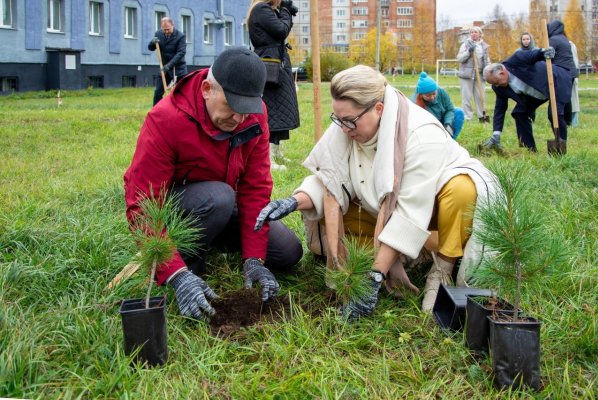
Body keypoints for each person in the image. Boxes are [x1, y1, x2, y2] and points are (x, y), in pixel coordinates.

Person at [254, 65, 498, 318]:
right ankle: (396, 258)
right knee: (332, 211)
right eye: (338, 119)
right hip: (382, 206)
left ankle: (441, 267)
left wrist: (373, 279)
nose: (343, 129)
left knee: (462, 190)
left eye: (349, 121)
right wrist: (292, 202)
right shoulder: (349, 123)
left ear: (378, 109)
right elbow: (330, 179)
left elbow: (409, 214)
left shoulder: (421, 134)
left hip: (433, 213)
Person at [124, 48, 303, 320]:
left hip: (225, 203)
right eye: (232, 107)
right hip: (184, 208)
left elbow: (255, 188)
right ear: (208, 89)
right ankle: (189, 265)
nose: (240, 119)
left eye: (247, 110)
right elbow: (142, 204)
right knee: (218, 197)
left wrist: (254, 259)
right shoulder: (166, 119)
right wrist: (175, 273)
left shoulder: (254, 115)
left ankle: (219, 238)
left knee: (288, 251)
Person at [480, 47, 572, 153]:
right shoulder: (498, 88)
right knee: (519, 113)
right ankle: (530, 149)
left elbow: (532, 55)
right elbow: (500, 109)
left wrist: (543, 52)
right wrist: (496, 133)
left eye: (496, 82)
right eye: (493, 84)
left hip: (555, 81)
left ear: (502, 73)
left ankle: (561, 145)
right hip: (534, 93)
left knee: (554, 114)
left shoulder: (516, 60)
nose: (496, 85)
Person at [247, 0, 300, 171]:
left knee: (280, 109)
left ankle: (277, 152)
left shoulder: (268, 10)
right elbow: (281, 30)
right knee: (271, 110)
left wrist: (284, 11)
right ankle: (267, 157)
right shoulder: (261, 9)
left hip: (276, 63)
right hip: (269, 64)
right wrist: (285, 10)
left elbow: (281, 30)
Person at [410, 72, 465, 140]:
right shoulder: (414, 103)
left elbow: (449, 109)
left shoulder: (441, 92)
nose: (432, 97)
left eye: (434, 94)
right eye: (428, 95)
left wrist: (447, 123)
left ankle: (451, 142)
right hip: (428, 126)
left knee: (459, 112)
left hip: (443, 121)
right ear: (421, 95)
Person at [148, 17, 187, 106]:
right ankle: (156, 113)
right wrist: (152, 42)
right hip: (164, 69)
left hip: (178, 69)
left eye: (168, 29)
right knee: (158, 93)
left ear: (173, 25)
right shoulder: (158, 34)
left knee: (182, 94)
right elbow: (150, 48)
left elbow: (181, 53)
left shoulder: (180, 36)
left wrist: (169, 65)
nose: (166, 31)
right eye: (164, 29)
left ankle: (181, 113)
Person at [457, 26, 490, 122]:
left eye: (475, 32)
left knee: (480, 96)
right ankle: (468, 117)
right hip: (467, 75)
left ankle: (482, 116)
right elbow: (460, 58)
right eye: (471, 32)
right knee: (466, 97)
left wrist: (489, 69)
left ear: (480, 34)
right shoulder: (465, 45)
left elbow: (487, 60)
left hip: (479, 74)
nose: (473, 34)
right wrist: (468, 52)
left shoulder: (484, 46)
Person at [547, 20, 578, 126]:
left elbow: (548, 56)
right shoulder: (564, 39)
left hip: (563, 72)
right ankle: (567, 120)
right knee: (567, 96)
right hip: (571, 72)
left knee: (560, 97)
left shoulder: (553, 40)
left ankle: (562, 119)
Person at [569, 40, 580, 127]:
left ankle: (574, 123)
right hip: (567, 75)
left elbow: (574, 61)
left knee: (574, 101)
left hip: (571, 75)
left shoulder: (570, 45)